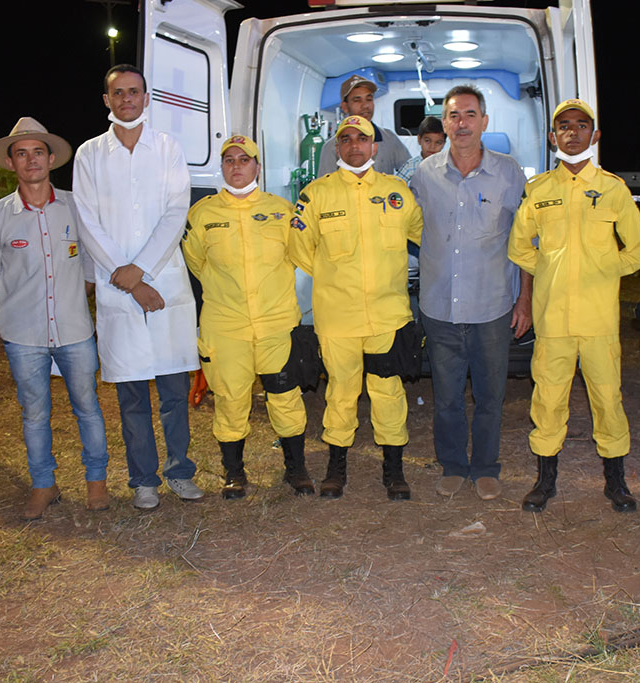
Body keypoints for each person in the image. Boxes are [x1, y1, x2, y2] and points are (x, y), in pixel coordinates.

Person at [509, 99, 640, 512]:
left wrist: (608, 268)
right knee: (548, 400)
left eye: (581, 125)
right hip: (553, 318)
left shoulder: (613, 188)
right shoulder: (539, 190)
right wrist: (548, 268)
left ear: (595, 134)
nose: (572, 132)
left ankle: (616, 482)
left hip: (598, 320)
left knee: (607, 400)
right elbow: (519, 247)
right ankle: (545, 480)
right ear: (552, 137)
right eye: (564, 126)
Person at [73, 64, 203, 510]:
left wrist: (142, 271)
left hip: (164, 283)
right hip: (118, 289)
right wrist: (129, 279)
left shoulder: (168, 148)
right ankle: (143, 480)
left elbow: (175, 212)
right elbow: (87, 221)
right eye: (118, 92)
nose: (126, 99)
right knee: (131, 396)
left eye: (134, 91)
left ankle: (180, 473)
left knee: (173, 391)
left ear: (146, 98)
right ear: (106, 100)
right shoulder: (90, 155)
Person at [0, 117, 110, 519]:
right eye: (21, 153)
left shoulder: (77, 207)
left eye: (38, 152)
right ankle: (43, 485)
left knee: (88, 407)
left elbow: (91, 265)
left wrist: (69, 299)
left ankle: (97, 483)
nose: (31, 159)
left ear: (51, 159)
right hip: (23, 334)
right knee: (34, 414)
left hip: (75, 330)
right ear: (10, 163)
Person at [290, 115, 423, 500]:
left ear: (374, 146)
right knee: (341, 393)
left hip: (387, 316)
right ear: (337, 147)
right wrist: (334, 278)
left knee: (388, 393)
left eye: (361, 139)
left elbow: (421, 235)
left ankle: (394, 470)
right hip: (338, 318)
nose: (354, 146)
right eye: (346, 139)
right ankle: (336, 468)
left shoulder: (397, 193)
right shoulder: (316, 195)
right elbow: (299, 249)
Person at [410, 84, 531, 501]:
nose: (461, 123)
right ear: (444, 123)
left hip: (492, 307)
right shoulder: (424, 175)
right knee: (446, 397)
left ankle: (484, 467)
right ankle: (453, 466)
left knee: (490, 397)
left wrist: (525, 299)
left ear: (484, 121)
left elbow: (524, 240)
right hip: (439, 308)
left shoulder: (509, 173)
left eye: (469, 115)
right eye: (453, 116)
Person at [182, 135, 311, 500]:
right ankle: (234, 473)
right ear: (222, 167)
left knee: (286, 397)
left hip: (276, 324)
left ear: (258, 166)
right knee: (230, 399)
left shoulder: (281, 211)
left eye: (244, 159)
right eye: (229, 160)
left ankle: (296, 468)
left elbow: (299, 255)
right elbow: (196, 263)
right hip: (226, 326)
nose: (236, 166)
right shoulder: (203, 214)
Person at [316, 75, 410, 177]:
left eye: (369, 99)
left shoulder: (389, 138)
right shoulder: (331, 147)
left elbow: (410, 171)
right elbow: (325, 183)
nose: (365, 106)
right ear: (345, 107)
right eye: (357, 100)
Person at [396, 116, 446, 183]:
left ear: (443, 144)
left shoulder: (447, 167)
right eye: (427, 141)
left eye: (438, 143)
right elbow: (396, 187)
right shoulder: (410, 167)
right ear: (419, 140)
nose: (432, 147)